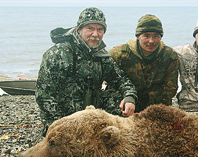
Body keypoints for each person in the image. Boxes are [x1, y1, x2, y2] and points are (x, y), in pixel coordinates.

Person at [35, 7, 138, 136]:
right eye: (90, 28)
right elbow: (44, 96)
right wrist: (61, 126)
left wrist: (129, 98)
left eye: (100, 29)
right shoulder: (58, 54)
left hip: (90, 117)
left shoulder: (101, 55)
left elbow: (121, 80)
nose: (95, 34)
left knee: (117, 96)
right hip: (63, 120)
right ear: (79, 30)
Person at [108, 14, 179, 112]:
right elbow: (108, 81)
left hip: (155, 108)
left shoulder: (169, 56)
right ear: (138, 36)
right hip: (126, 105)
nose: (151, 41)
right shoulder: (118, 54)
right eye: (146, 36)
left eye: (156, 36)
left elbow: (170, 89)